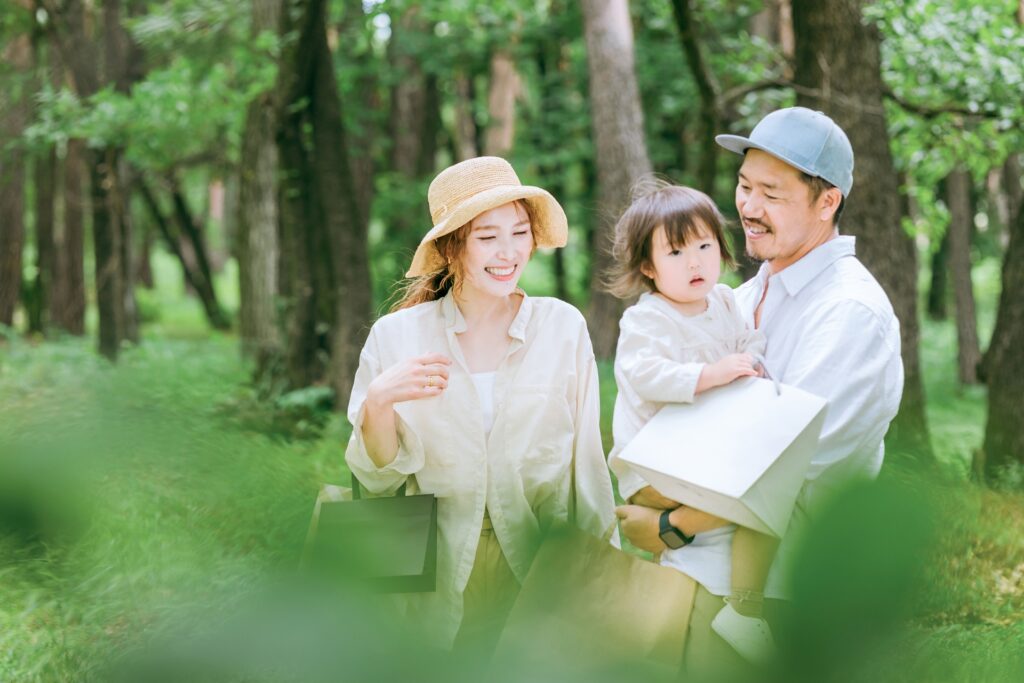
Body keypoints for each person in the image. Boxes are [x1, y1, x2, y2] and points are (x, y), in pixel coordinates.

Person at [616, 107, 904, 674]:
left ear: (827, 203)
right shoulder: (742, 297)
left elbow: (789, 463)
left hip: (780, 598)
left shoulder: (846, 311)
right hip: (699, 580)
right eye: (745, 186)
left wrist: (673, 527)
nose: (747, 207)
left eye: (771, 193)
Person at [344, 156, 616, 654]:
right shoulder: (397, 336)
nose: (509, 252)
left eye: (519, 232)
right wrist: (379, 401)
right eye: (488, 237)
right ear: (453, 248)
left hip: (539, 561)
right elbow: (378, 480)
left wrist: (600, 575)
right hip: (434, 566)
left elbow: (586, 469)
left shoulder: (562, 327)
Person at [605, 181, 780, 664]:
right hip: (655, 462)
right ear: (648, 267)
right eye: (677, 252)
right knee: (756, 497)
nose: (696, 262)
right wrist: (711, 374)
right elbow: (647, 375)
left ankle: (745, 610)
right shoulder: (649, 320)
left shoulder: (724, 302)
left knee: (767, 503)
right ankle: (669, 533)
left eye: (705, 246)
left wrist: (749, 361)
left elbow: (752, 340)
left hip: (702, 456)